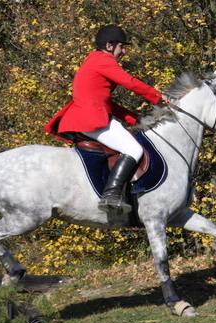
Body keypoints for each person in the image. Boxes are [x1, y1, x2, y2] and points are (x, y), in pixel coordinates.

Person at [46, 24, 168, 214]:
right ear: (109, 46)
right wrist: (159, 97)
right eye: (122, 47)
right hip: (90, 119)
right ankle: (111, 195)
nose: (124, 52)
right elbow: (130, 82)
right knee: (134, 149)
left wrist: (135, 118)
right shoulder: (102, 60)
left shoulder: (95, 60)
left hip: (89, 115)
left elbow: (106, 103)